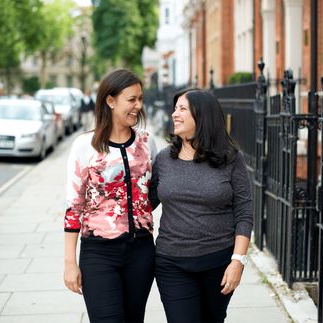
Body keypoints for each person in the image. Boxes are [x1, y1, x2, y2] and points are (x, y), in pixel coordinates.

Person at [149, 88, 253, 323]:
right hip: (171, 262)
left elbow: (244, 212)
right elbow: (145, 203)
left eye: (182, 109)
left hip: (218, 262)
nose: (174, 114)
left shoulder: (231, 158)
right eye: (175, 108)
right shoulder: (164, 159)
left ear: (202, 115)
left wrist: (238, 261)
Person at [63, 68, 158, 323]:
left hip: (141, 251)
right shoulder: (85, 146)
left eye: (140, 99)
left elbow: (154, 191)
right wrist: (70, 262)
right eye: (131, 99)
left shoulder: (146, 143)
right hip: (99, 253)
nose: (138, 106)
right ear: (110, 100)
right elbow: (74, 207)